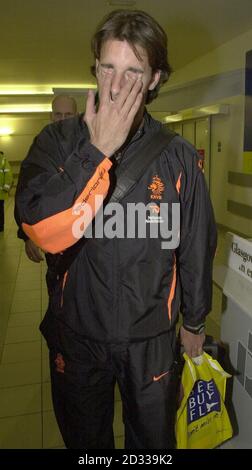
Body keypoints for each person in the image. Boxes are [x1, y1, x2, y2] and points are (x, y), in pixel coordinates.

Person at [15, 10, 217, 449]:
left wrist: (195, 320)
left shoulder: (178, 156)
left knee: (152, 444)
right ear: (95, 69)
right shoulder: (56, 144)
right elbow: (37, 228)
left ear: (155, 78)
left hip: (152, 338)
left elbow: (195, 244)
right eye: (108, 67)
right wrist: (97, 149)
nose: (118, 84)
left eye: (134, 71)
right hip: (78, 334)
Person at [18, 95, 78, 262]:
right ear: (51, 116)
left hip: (85, 235)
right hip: (54, 236)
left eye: (68, 114)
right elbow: (26, 190)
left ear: (77, 115)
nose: (63, 119)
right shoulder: (41, 147)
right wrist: (27, 234)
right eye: (58, 114)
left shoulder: (88, 143)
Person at [0, 150, 13, 232]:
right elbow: (8, 175)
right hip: (1, 192)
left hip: (1, 192)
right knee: (0, 210)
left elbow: (8, 175)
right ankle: (0, 227)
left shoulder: (3, 161)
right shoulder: (3, 160)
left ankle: (0, 227)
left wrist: (6, 187)